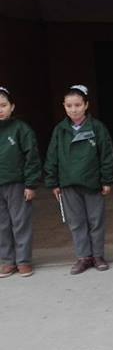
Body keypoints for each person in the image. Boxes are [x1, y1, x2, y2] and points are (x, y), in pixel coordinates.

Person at [44, 85, 113, 275]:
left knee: (96, 221)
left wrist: (107, 180)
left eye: (77, 105)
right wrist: (53, 182)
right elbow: (52, 156)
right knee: (76, 222)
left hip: (92, 182)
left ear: (86, 105)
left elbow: (107, 155)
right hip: (68, 183)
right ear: (64, 106)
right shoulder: (60, 130)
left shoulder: (97, 128)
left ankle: (98, 255)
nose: (73, 109)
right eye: (69, 106)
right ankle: (84, 257)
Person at [0, 87, 41, 279]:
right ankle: (8, 260)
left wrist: (31, 184)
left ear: (12, 106)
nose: (0, 110)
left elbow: (32, 157)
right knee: (2, 224)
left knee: (20, 222)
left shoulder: (21, 129)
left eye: (3, 105)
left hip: (16, 183)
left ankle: (23, 260)